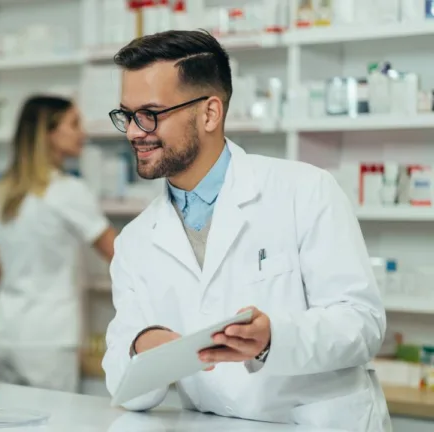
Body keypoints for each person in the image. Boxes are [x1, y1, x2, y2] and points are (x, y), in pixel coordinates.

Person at [101, 30, 391, 431]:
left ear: (210, 113)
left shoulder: (305, 191)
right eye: (127, 115)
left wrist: (274, 338)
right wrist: (141, 347)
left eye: (150, 114)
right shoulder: (135, 240)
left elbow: (362, 324)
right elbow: (123, 387)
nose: (134, 131)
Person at [0, 95, 116, 393]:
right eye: (74, 124)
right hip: (50, 340)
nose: (83, 133)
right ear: (48, 134)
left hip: (5, 335)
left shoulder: (1, 191)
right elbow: (117, 253)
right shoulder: (68, 191)